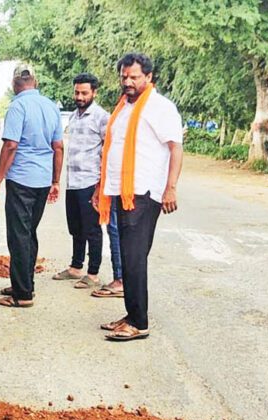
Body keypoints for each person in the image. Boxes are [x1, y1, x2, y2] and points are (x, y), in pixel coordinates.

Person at [93, 53, 184, 341]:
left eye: (134, 77)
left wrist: (171, 187)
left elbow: (175, 147)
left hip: (144, 193)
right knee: (130, 257)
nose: (128, 82)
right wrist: (101, 187)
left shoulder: (159, 107)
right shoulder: (123, 108)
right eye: (124, 77)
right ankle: (131, 314)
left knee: (133, 257)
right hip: (122, 191)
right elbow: (112, 152)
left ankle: (140, 323)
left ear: (149, 77)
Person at [0, 65, 64, 307]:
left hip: (22, 179)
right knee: (29, 232)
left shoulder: (17, 106)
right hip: (42, 180)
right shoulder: (51, 106)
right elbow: (59, 147)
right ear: (36, 81)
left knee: (19, 235)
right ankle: (25, 282)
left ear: (14, 83)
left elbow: (11, 145)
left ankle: (22, 295)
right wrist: (55, 181)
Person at [52, 73, 109, 290]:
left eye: (84, 93)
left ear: (94, 92)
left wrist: (100, 185)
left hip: (90, 182)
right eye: (77, 92)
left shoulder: (102, 117)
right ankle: (76, 267)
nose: (79, 96)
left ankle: (93, 273)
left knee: (92, 229)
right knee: (75, 227)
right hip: (73, 181)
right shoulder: (74, 117)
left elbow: (108, 151)